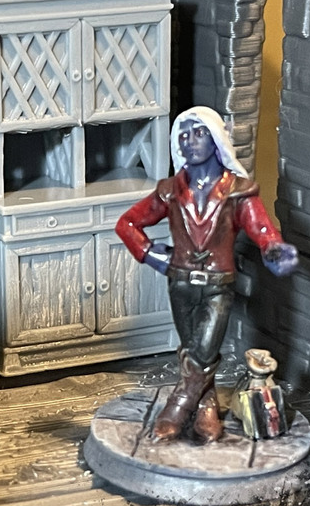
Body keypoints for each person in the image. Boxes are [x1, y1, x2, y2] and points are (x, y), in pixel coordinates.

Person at [115, 107, 298, 443]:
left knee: (202, 350)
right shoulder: (169, 191)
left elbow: (261, 228)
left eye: (199, 133)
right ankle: (206, 406)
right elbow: (127, 224)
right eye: (183, 135)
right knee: (194, 350)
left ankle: (178, 406)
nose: (190, 141)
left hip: (218, 286)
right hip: (180, 283)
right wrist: (152, 255)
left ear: (216, 140)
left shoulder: (238, 191)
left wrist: (274, 249)